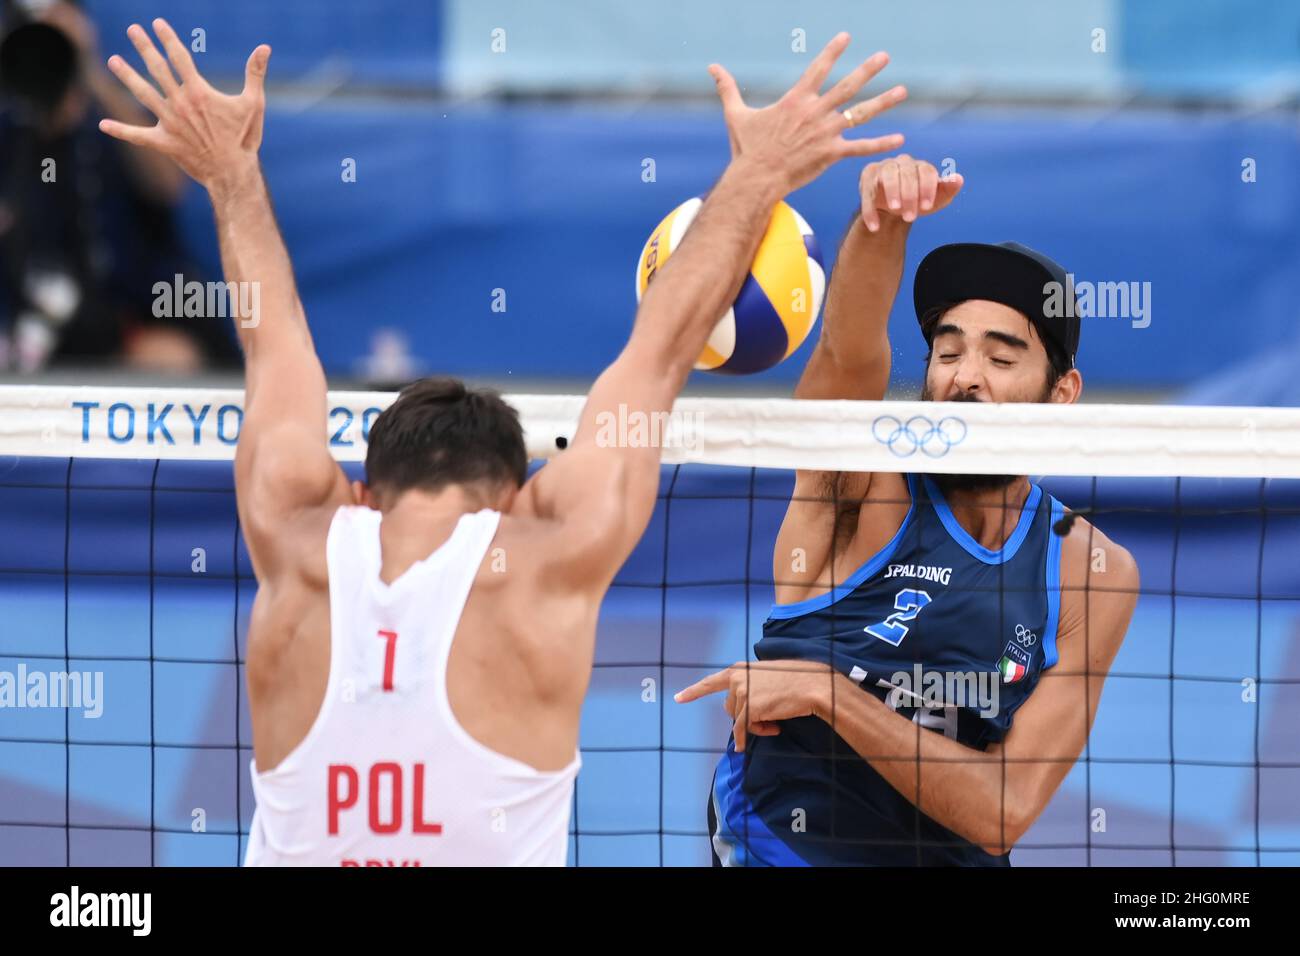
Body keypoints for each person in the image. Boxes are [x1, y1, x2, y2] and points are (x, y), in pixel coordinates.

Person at [98, 19, 907, 865]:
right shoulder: (543, 554)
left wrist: (230, 176)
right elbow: (661, 349)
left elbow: (272, 346)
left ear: (363, 491)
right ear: (515, 494)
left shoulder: (295, 539)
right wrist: (758, 174)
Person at [677, 156, 1141, 866]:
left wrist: (831, 695)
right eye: (947, 352)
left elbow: (1004, 813)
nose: (965, 378)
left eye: (1001, 358)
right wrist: (883, 224)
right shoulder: (865, 485)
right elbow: (848, 350)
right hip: (785, 847)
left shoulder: (1092, 569)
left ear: (1061, 393)